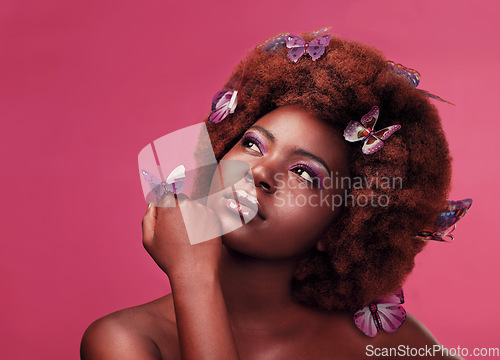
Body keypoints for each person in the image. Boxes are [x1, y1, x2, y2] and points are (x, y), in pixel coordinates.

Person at [80, 29, 464, 359]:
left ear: (341, 227)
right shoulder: (129, 341)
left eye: (303, 172)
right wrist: (192, 274)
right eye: (252, 144)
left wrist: (195, 272)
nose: (260, 173)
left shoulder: (388, 346)